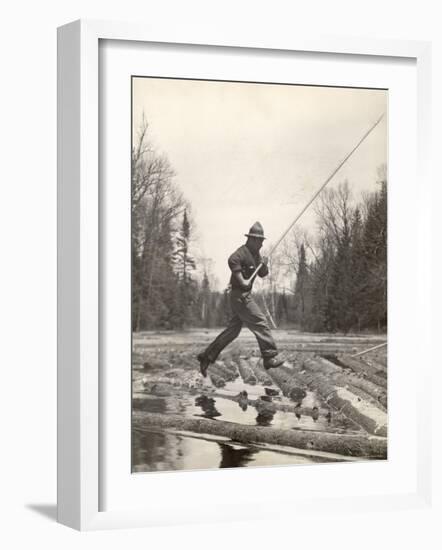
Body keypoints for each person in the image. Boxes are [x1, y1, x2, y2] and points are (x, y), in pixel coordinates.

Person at [197, 222, 284, 377]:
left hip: (243, 296)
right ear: (251, 239)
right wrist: (241, 279)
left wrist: (264, 265)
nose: (262, 243)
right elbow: (233, 263)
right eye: (259, 240)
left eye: (262, 240)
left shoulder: (256, 255)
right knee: (260, 322)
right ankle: (269, 357)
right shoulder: (240, 253)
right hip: (240, 296)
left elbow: (263, 274)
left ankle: (206, 357)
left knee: (232, 332)